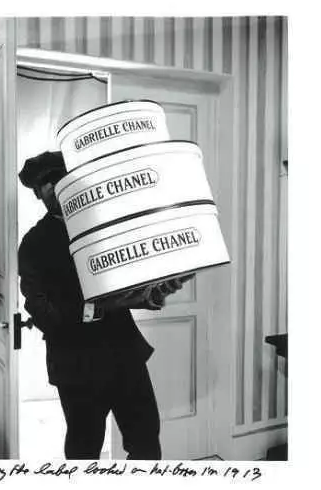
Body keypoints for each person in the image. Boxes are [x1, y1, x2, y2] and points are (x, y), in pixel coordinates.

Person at [18, 151, 191, 460]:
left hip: (125, 355)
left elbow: (130, 281)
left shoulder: (104, 229)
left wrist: (152, 293)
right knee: (84, 452)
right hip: (76, 365)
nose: (56, 188)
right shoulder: (33, 243)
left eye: (61, 179)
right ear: (38, 193)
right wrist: (98, 309)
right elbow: (43, 311)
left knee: (146, 443)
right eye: (47, 183)